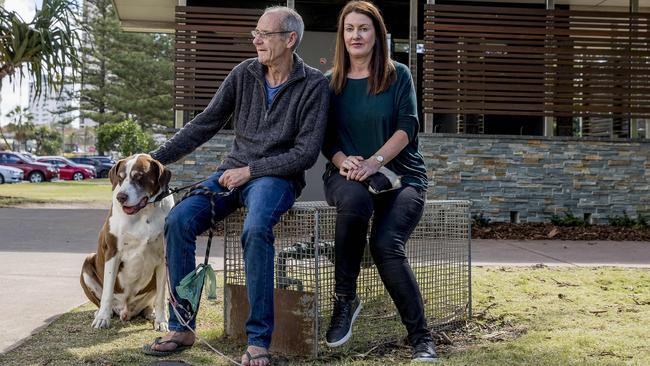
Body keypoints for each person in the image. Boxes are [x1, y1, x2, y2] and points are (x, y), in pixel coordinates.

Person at [142, 6, 329, 366]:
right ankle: (182, 326)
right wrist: (154, 159)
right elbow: (204, 124)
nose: (256, 40)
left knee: (256, 228)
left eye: (265, 34)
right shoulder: (244, 73)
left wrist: (252, 170)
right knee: (179, 220)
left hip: (277, 178)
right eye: (255, 34)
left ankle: (258, 339)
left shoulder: (314, 85)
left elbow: (305, 153)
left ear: (290, 40)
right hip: (231, 173)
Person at [321, 1, 437, 362]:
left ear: (378, 34)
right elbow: (324, 139)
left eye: (364, 28)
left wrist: (374, 162)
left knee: (387, 244)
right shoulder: (330, 83)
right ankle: (345, 299)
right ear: (342, 36)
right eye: (350, 28)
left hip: (402, 177)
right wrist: (345, 162)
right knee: (354, 202)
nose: (356, 35)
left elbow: (408, 127)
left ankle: (421, 340)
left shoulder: (398, 74)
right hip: (346, 175)